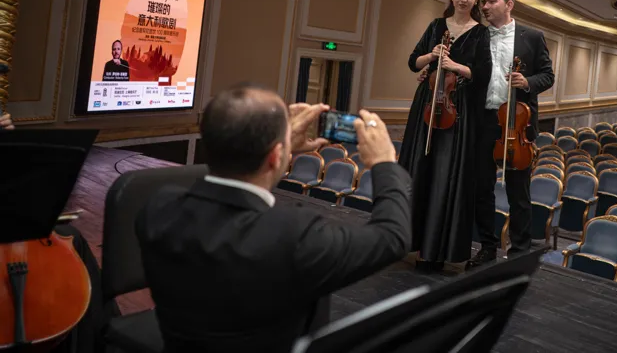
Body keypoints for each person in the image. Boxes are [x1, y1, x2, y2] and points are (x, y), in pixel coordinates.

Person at [135, 85, 410, 353]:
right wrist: (385, 162)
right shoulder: (295, 236)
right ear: (277, 156)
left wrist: (278, 146)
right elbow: (392, 237)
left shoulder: (157, 207)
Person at [399, 0, 491, 271]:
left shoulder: (481, 33)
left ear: (475, 0)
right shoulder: (436, 27)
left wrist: (456, 65)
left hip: (457, 113)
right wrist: (432, 55)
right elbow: (414, 60)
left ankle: (436, 251)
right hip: (426, 107)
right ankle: (410, 243)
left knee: (443, 177)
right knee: (419, 172)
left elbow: (483, 75)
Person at [467, 0, 554, 269]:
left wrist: (527, 82)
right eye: (484, 2)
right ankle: (488, 247)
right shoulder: (477, 36)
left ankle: (518, 253)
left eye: (491, 1)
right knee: (482, 189)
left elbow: (547, 75)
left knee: (519, 194)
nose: (484, 6)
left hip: (518, 122)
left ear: (509, 4)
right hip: (484, 121)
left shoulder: (532, 37)